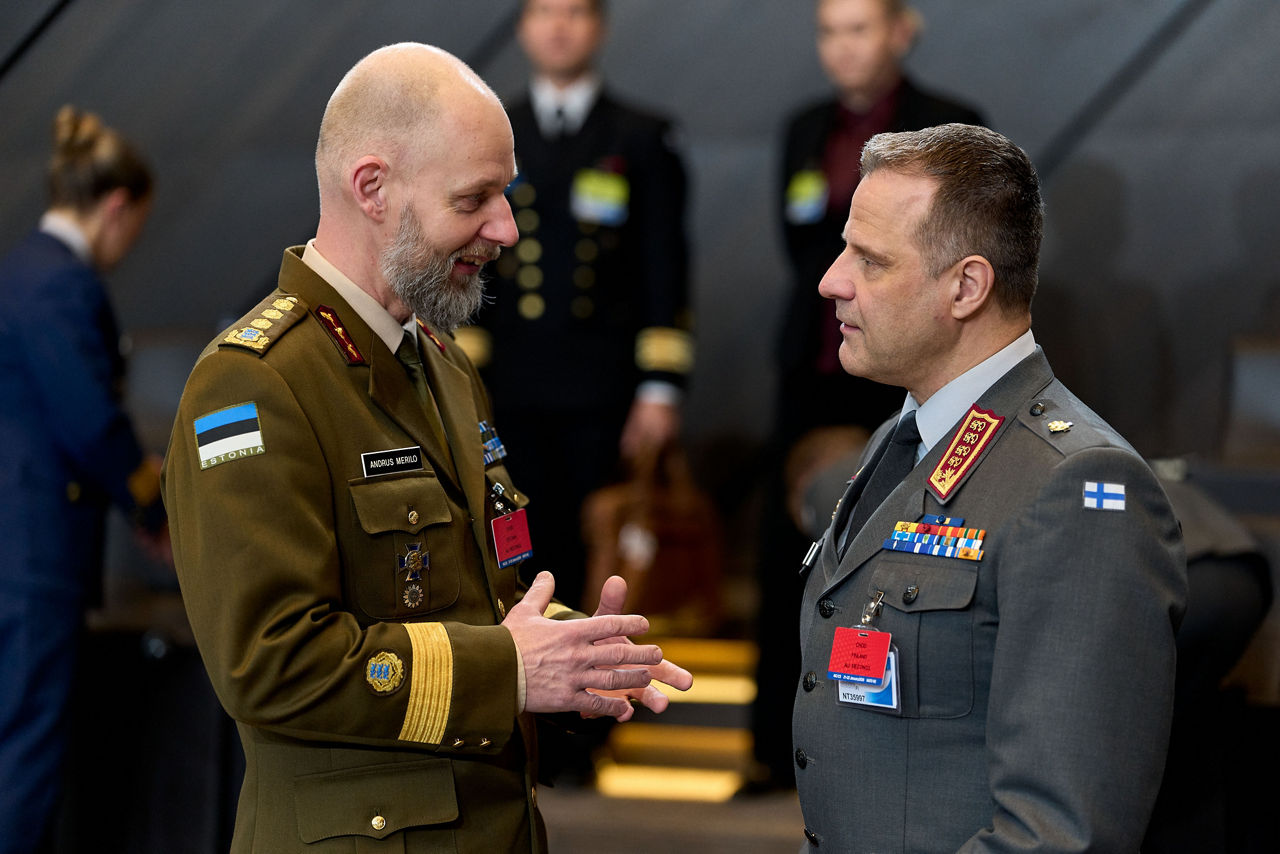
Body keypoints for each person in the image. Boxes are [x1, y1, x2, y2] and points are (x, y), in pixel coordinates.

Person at [161, 43, 691, 852]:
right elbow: (270, 664)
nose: (506, 229)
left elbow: (470, 604)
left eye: (505, 196)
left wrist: (572, 655)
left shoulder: (442, 363)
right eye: (475, 198)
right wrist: (513, 671)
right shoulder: (252, 384)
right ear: (371, 188)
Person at [790, 123, 1185, 851]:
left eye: (870, 261)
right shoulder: (898, 439)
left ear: (966, 286)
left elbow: (1061, 834)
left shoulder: (1077, 485)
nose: (831, 280)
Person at [747, 0, 985, 793]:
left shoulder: (951, 126)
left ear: (901, 31)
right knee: (790, 552)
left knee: (896, 546)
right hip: (812, 361)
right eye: (829, 30)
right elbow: (799, 244)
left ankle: (879, 744)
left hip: (903, 366)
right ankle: (773, 748)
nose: (843, 47)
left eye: (859, 28)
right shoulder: (802, 126)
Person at [456, 0, 692, 611]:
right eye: (544, 12)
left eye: (575, 12)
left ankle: (590, 696)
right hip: (511, 381)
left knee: (596, 550)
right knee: (512, 542)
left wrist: (660, 387)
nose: (559, 26)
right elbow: (470, 258)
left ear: (600, 27)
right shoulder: (492, 130)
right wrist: (466, 377)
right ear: (522, 28)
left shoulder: (641, 135)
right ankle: (526, 692)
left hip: (603, 387)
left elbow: (665, 266)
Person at [0, 106, 164, 853]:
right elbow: (88, 419)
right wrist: (150, 499)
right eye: (136, 228)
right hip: (31, 554)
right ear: (117, 207)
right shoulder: (60, 283)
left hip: (17, 542)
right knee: (26, 747)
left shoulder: (20, 269)